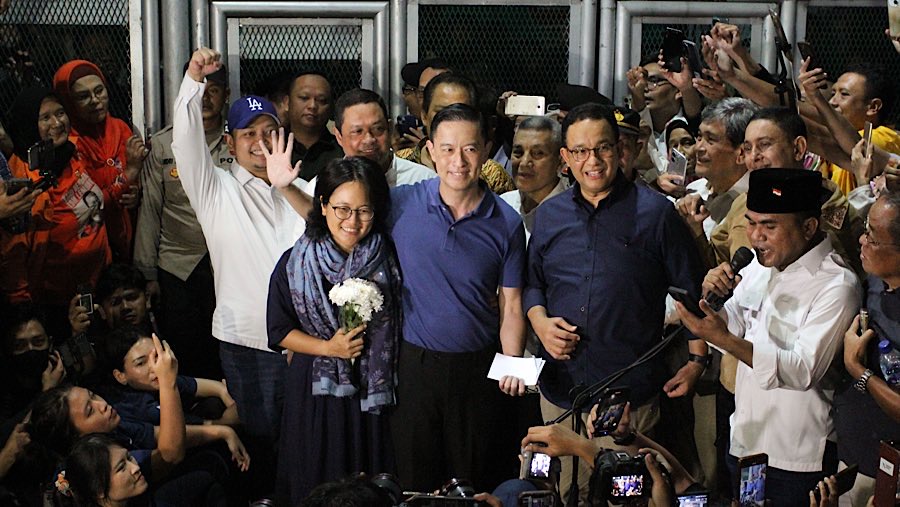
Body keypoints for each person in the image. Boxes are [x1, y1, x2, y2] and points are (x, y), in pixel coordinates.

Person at [263, 103, 528, 493]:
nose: (458, 161)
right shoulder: (403, 203)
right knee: (414, 479)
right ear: (431, 150)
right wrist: (286, 187)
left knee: (474, 477)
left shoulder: (507, 222)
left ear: (486, 150)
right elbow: (338, 222)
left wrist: (514, 362)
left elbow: (512, 303)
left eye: (470, 149)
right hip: (411, 366)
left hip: (478, 367)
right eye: (448, 149)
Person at [524, 102, 707, 503]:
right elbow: (532, 284)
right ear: (565, 157)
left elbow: (689, 291)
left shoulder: (657, 214)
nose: (592, 161)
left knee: (625, 497)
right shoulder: (548, 216)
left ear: (619, 149)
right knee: (558, 495)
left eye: (602, 148)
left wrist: (697, 361)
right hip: (559, 392)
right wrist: (539, 322)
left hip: (628, 401)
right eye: (580, 151)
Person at [676, 168, 861, 506]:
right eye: (751, 223)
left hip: (795, 458)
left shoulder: (837, 285)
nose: (755, 236)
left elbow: (802, 370)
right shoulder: (757, 267)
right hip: (745, 442)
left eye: (769, 226)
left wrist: (726, 339)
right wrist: (711, 304)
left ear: (808, 227)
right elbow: (731, 327)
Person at [172, 47, 309, 499]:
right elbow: (185, 142)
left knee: (304, 443)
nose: (259, 141)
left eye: (269, 132)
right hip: (247, 344)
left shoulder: (304, 188)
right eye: (248, 133)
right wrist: (194, 81)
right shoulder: (215, 189)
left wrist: (286, 186)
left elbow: (331, 236)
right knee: (260, 446)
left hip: (305, 344)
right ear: (229, 144)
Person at [266, 156, 400, 505]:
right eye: (342, 209)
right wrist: (329, 348)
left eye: (363, 211)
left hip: (371, 392)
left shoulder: (387, 257)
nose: (352, 221)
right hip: (316, 391)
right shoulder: (296, 262)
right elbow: (279, 330)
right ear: (323, 206)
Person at [133, 62, 231, 380]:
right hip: (176, 264)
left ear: (226, 95)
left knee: (224, 347)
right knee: (182, 349)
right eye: (200, 91)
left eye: (213, 91)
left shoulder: (238, 140)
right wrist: (147, 273)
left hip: (227, 264)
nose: (205, 99)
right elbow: (150, 209)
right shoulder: (165, 144)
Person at [0, 86, 112, 339]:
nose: (57, 123)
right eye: (45, 118)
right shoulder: (20, 178)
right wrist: (23, 309)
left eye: (60, 113)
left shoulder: (74, 154)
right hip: (52, 304)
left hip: (94, 286)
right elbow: (13, 253)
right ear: (29, 124)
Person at [834, 192, 900, 506]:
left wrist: (859, 371)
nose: (862, 240)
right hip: (854, 456)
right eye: (865, 230)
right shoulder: (873, 281)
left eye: (872, 238)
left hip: (888, 474)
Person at [53, 59, 147, 263]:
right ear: (68, 102)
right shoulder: (68, 146)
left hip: (128, 240)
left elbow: (139, 181)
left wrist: (135, 193)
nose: (95, 100)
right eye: (83, 96)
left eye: (99, 91)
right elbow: (90, 203)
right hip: (90, 249)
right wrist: (129, 174)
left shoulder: (120, 129)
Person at [395, 72, 515, 194]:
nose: (451, 120)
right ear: (424, 116)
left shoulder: (492, 175)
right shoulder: (399, 165)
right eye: (441, 112)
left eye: (460, 112)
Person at [325, 88, 434, 188]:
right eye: (357, 131)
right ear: (339, 136)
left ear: (390, 129)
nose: (369, 139)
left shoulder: (424, 181)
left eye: (378, 129)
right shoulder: (325, 185)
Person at [500, 115, 567, 243]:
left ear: (561, 160)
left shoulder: (572, 217)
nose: (524, 162)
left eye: (537, 153)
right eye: (518, 153)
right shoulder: (503, 205)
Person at [285, 70, 344, 181]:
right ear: (287, 102)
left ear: (331, 107)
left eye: (322, 100)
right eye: (304, 98)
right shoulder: (271, 147)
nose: (312, 106)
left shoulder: (343, 152)